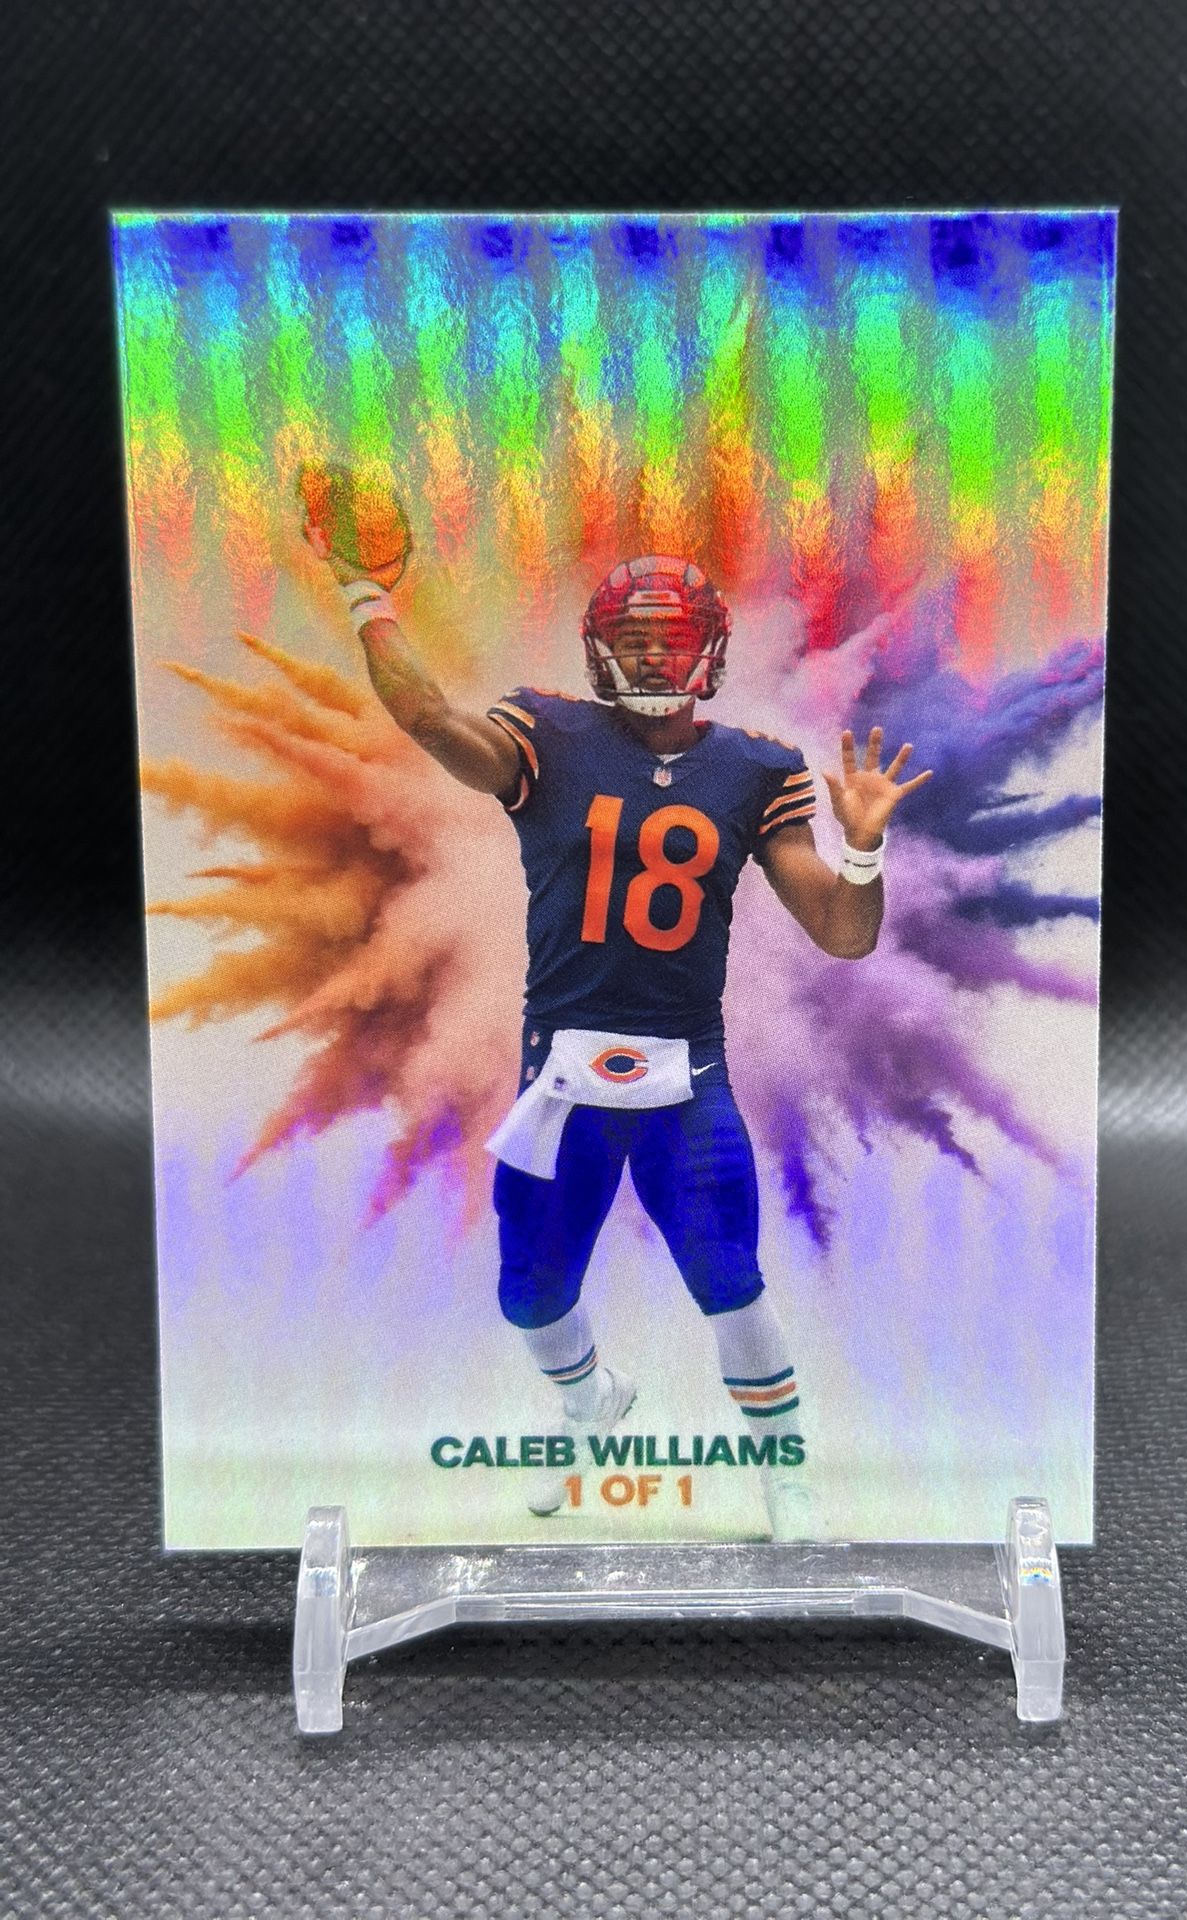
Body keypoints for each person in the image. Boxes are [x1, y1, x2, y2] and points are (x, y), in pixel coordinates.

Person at [305, 516, 930, 1539]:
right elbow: (426, 716)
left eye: (669, 640)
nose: (650, 657)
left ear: (708, 651)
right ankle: (589, 1399)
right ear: (599, 649)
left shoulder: (758, 769)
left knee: (730, 1280)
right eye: (633, 639)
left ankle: (783, 1471)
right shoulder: (545, 734)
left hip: (688, 1077)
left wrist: (861, 851)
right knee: (530, 1293)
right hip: (562, 1076)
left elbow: (843, 933)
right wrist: (365, 596)